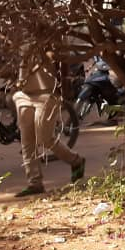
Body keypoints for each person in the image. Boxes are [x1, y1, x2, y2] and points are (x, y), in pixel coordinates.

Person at [12, 42, 86, 197]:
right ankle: (34, 183)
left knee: (45, 138)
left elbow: (63, 61)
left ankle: (76, 161)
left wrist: (65, 89)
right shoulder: (17, 31)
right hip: (23, 94)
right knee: (27, 140)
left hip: (47, 93)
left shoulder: (52, 34)